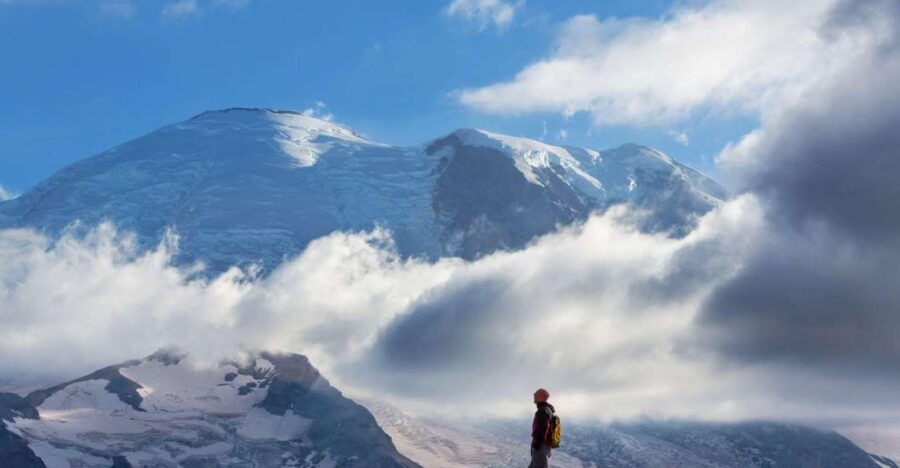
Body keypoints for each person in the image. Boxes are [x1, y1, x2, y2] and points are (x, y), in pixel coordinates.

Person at [529, 388, 554, 468]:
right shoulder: (546, 409)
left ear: (540, 397)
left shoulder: (543, 411)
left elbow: (543, 428)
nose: (534, 396)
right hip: (543, 446)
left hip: (540, 447)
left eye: (535, 395)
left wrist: (537, 444)